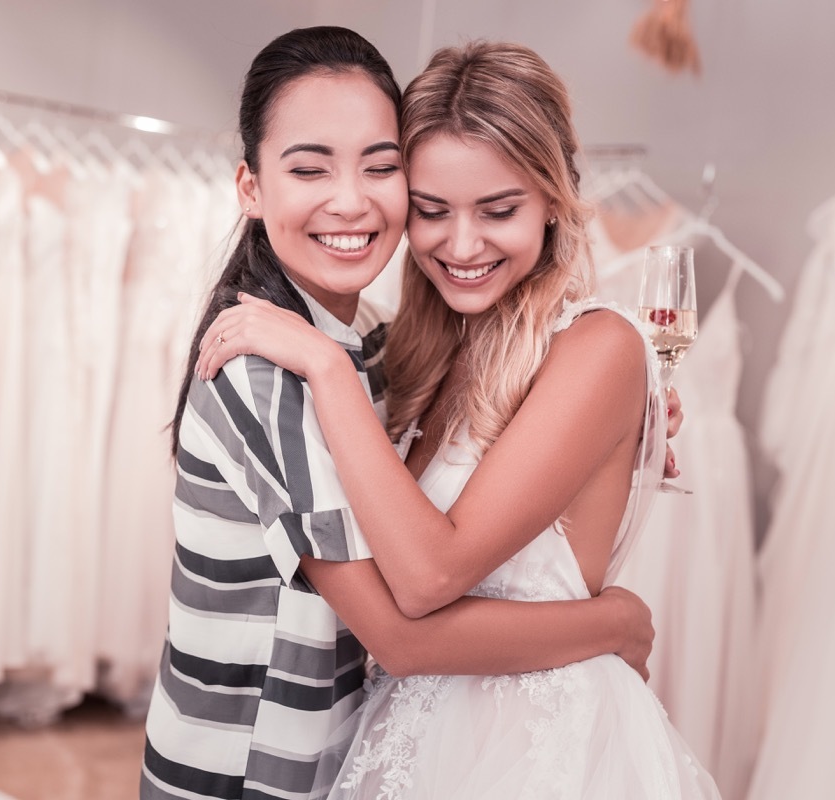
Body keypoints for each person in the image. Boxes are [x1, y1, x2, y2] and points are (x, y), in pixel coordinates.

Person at [141, 27, 668, 800]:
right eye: (433, 208)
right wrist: (615, 622)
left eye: (379, 168)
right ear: (252, 187)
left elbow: (551, 419)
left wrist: (633, 412)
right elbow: (405, 616)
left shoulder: (382, 352)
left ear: (554, 201)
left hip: (461, 747)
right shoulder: (283, 371)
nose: (351, 200)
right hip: (250, 771)